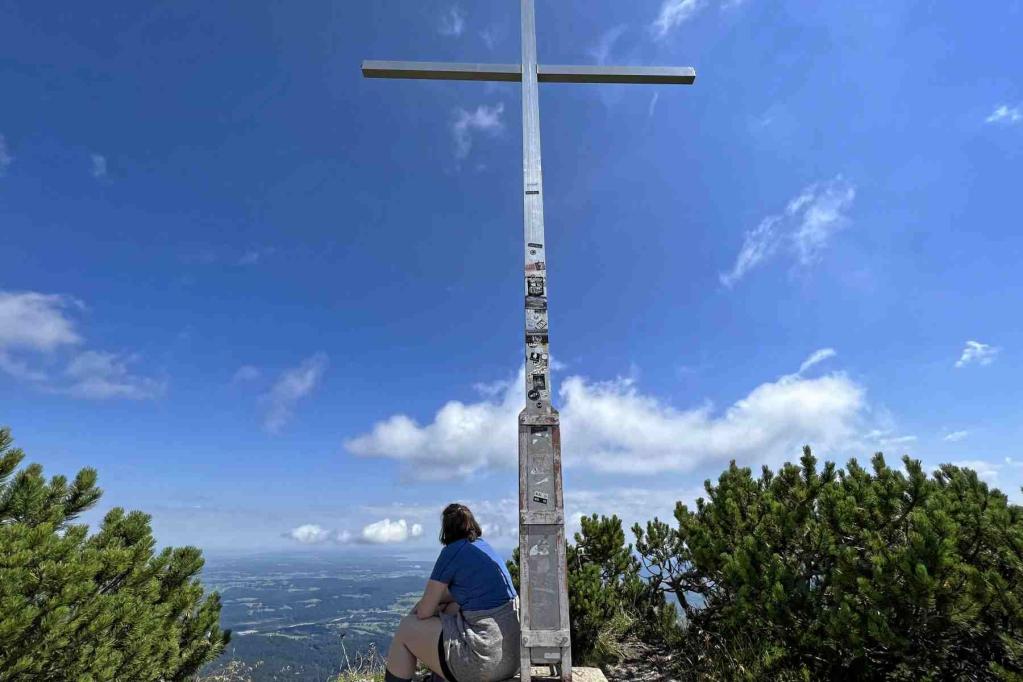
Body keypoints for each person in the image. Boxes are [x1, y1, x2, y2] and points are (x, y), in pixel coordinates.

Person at [385, 503, 520, 682]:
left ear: (446, 529)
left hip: (482, 664)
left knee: (406, 628)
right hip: (512, 659)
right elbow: (462, 595)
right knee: (452, 607)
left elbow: (425, 612)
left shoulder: (452, 552)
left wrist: (423, 607)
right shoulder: (485, 549)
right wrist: (443, 603)